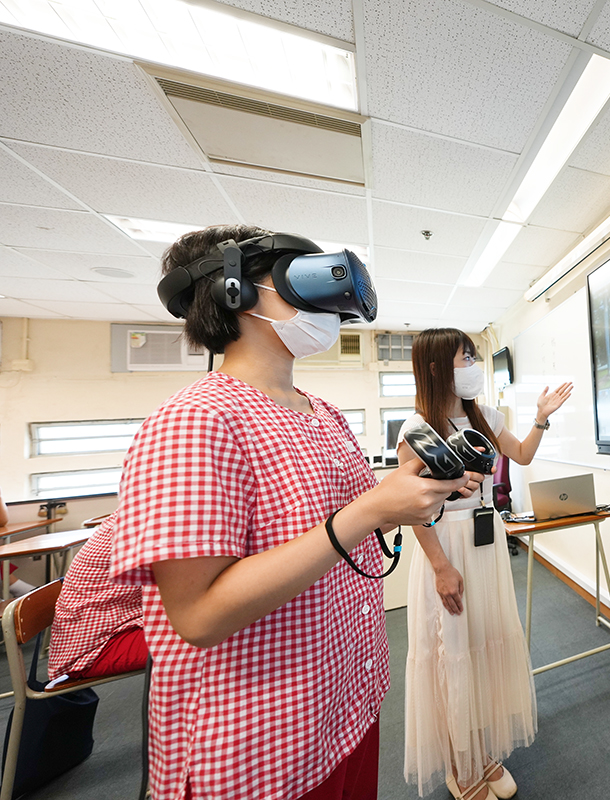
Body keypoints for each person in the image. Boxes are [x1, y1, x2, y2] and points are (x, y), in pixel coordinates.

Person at [105, 225, 481, 800]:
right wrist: (368, 511)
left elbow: (358, 519)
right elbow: (200, 615)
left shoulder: (322, 413)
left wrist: (406, 494)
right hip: (261, 745)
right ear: (236, 289)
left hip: (347, 701)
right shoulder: (194, 421)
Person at [398, 328, 572, 800]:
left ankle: (480, 749)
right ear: (435, 367)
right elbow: (409, 505)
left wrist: (540, 419)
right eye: (464, 357)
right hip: (445, 545)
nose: (473, 364)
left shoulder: (486, 415)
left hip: (485, 538)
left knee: (483, 640)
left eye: (474, 355)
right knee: (452, 648)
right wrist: (439, 567)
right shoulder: (416, 429)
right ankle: (459, 763)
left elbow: (522, 454)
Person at [47, 523, 146, 686]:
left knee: (196, 628)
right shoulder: (152, 520)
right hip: (92, 646)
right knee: (196, 639)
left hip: (120, 621)